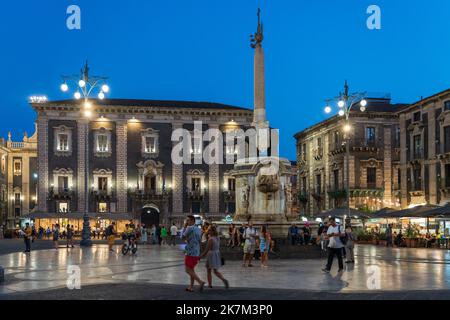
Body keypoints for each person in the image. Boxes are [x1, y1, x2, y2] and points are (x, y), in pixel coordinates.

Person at [182, 215, 205, 292]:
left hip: (190, 252)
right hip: (196, 251)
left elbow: (182, 236)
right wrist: (200, 251)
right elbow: (200, 241)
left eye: (188, 220)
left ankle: (200, 282)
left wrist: (184, 227)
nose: (187, 222)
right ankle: (191, 287)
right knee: (192, 270)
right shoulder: (199, 229)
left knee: (187, 270)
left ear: (192, 221)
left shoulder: (189, 228)